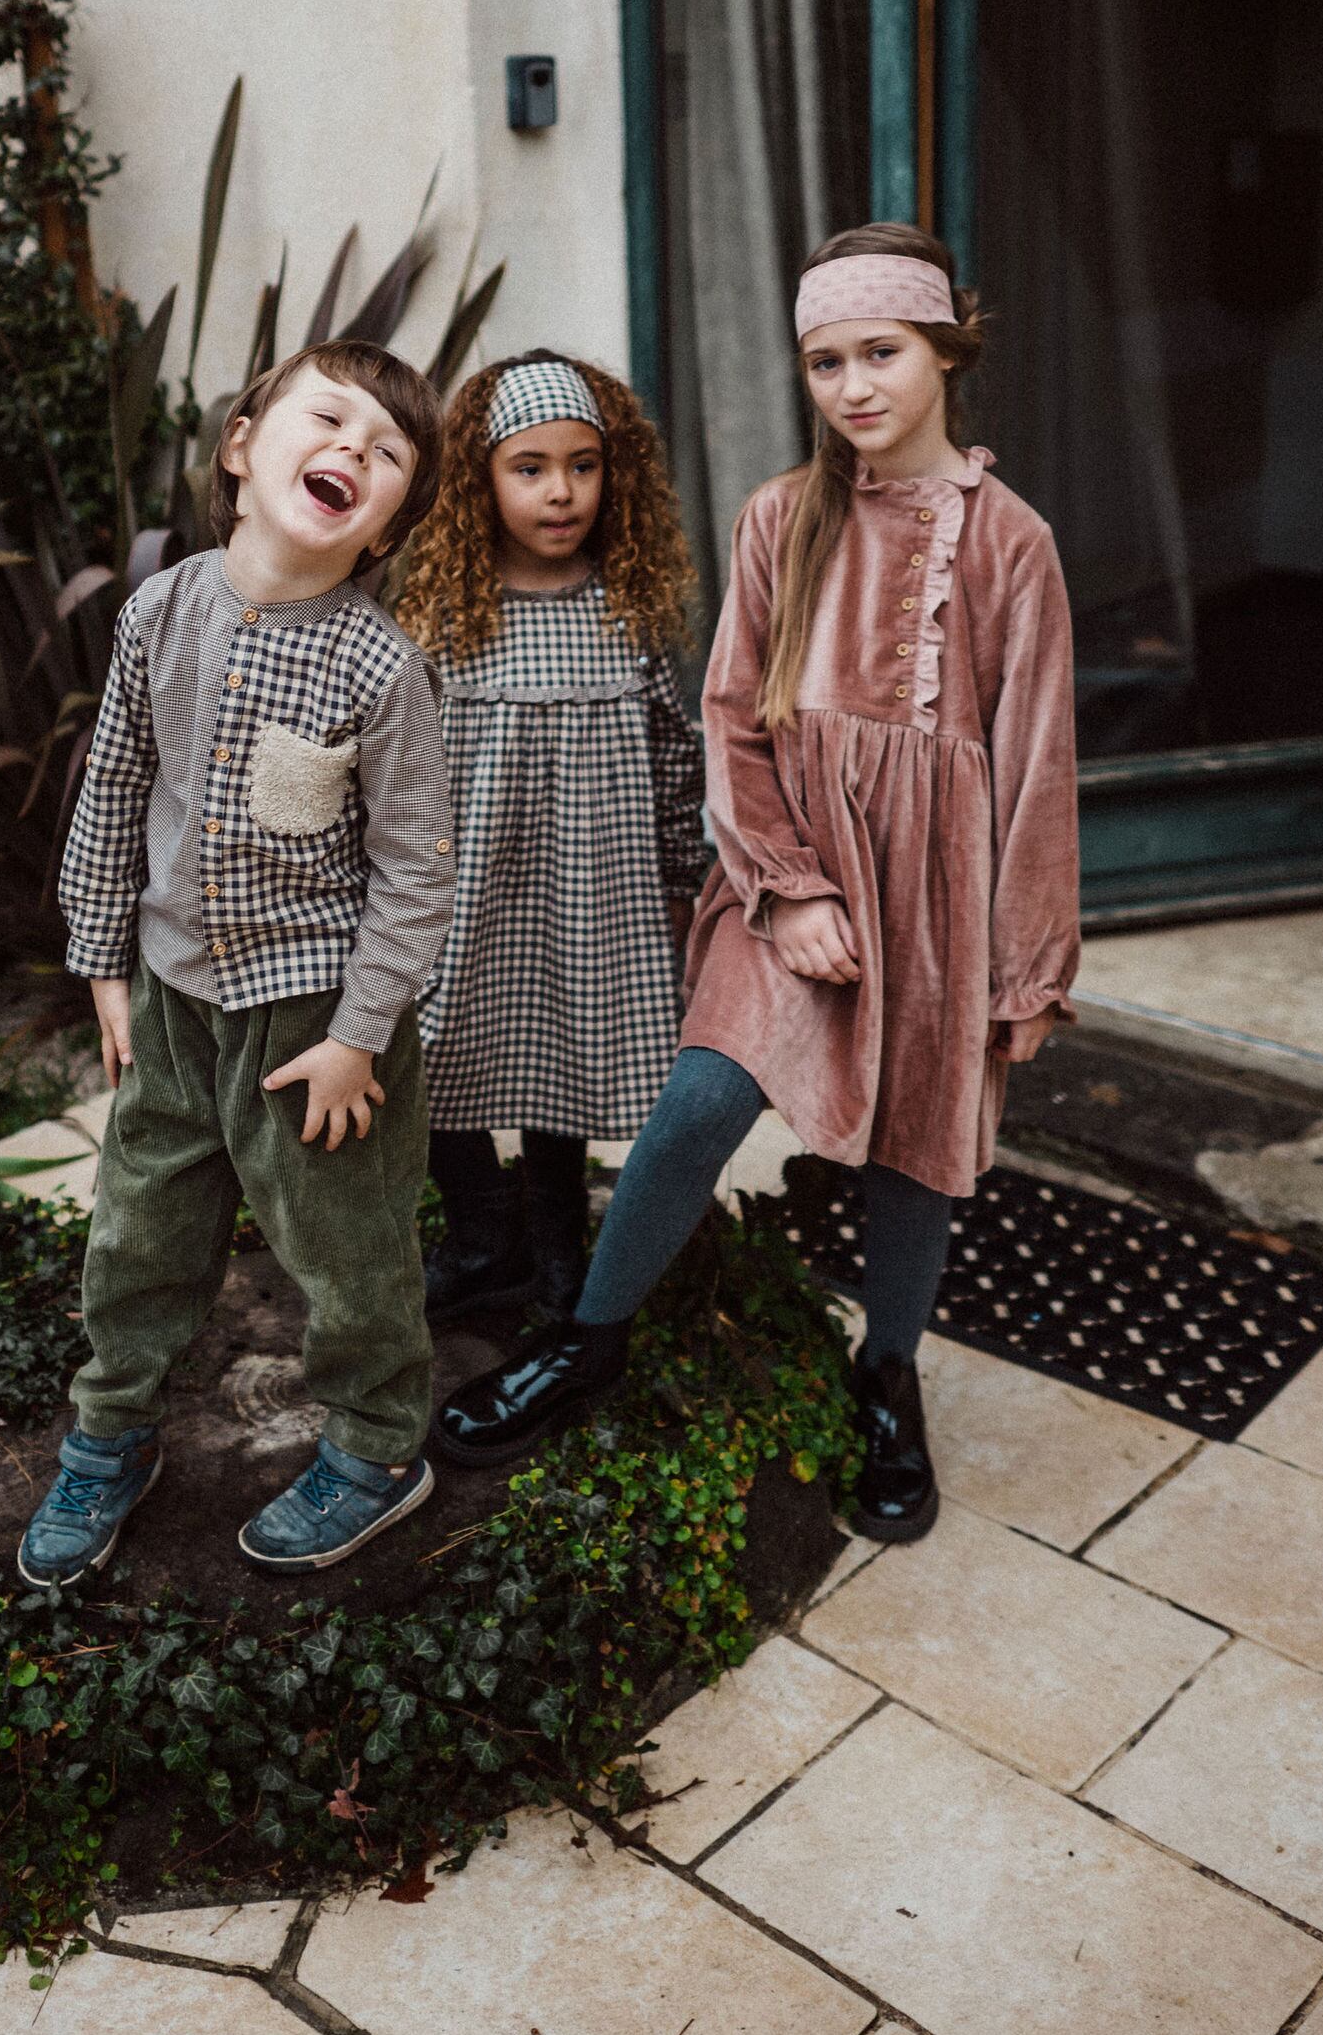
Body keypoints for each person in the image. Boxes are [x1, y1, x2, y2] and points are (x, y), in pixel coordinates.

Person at [432, 225, 1080, 1545]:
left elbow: (1037, 770)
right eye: (824, 361)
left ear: (947, 351)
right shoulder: (781, 518)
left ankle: (886, 1375)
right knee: (697, 1103)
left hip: (941, 900)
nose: (852, 385)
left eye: (879, 353)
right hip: (786, 874)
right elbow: (731, 718)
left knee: (916, 1150)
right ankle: (589, 1337)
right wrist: (787, 887)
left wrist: (1024, 965)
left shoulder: (1015, 545)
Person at [19, 340, 457, 1587]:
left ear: (385, 527)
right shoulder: (160, 609)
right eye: (328, 420)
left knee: (346, 1245)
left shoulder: (379, 667)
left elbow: (417, 869)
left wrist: (358, 1037)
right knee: (139, 1225)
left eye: (385, 452)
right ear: (242, 446)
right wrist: (103, 959)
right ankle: (111, 1430)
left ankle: (376, 1449)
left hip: (313, 1024)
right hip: (171, 999)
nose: (351, 450)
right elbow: (115, 784)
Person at [396, 351, 707, 1320]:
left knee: (559, 1060)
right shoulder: (446, 614)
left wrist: (680, 883)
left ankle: (558, 1248)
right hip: (464, 894)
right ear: (479, 479)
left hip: (589, 895)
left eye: (582, 465)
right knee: (428, 1052)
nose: (560, 491)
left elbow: (675, 757)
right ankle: (483, 1232)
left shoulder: (624, 610)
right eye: (528, 468)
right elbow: (397, 762)